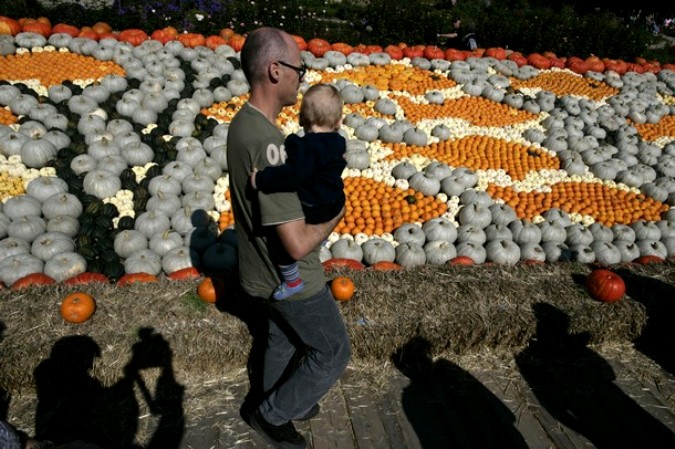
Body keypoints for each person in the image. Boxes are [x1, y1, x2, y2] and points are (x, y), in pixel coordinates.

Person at [226, 27, 351, 449]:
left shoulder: (243, 123)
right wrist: (335, 215)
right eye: (301, 68)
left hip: (257, 273)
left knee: (280, 335)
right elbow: (296, 244)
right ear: (275, 70)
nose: (303, 76)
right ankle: (272, 414)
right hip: (290, 278)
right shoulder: (271, 146)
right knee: (333, 350)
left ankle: (275, 396)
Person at [250, 83, 347, 301]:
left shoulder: (302, 147)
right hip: (334, 202)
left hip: (312, 207)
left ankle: (293, 281)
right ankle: (319, 240)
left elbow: (292, 175)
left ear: (301, 119)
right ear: (339, 122)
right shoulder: (339, 142)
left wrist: (261, 179)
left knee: (279, 244)